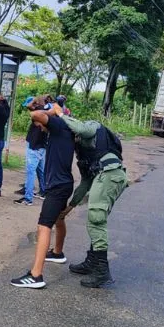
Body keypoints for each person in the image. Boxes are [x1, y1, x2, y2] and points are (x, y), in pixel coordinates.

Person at [55, 110, 129, 288]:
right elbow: (85, 183)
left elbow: (79, 127)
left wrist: (59, 113)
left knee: (96, 220)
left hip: (110, 175)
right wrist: (70, 207)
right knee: (95, 220)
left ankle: (102, 270)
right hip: (106, 176)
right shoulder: (83, 151)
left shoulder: (90, 126)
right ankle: (93, 261)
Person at [10, 102, 76, 289]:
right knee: (59, 219)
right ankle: (58, 252)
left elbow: (36, 115)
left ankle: (36, 275)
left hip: (57, 186)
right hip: (65, 184)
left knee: (43, 226)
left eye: (42, 125)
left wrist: (53, 112)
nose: (38, 127)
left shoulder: (57, 125)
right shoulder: (66, 129)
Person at [14, 96, 50, 206]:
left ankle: (28, 198)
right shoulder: (48, 113)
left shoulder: (38, 112)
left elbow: (29, 106)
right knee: (40, 170)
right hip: (42, 146)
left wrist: (36, 99)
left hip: (34, 147)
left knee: (31, 172)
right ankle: (43, 191)